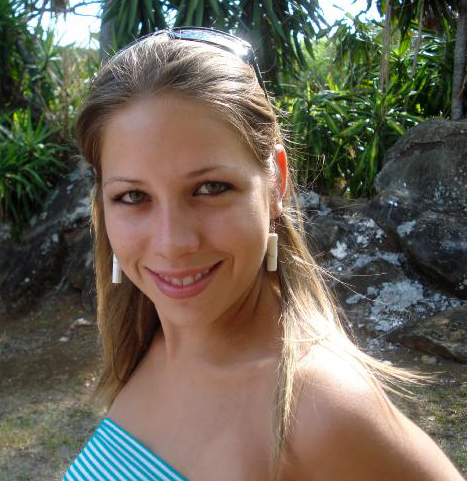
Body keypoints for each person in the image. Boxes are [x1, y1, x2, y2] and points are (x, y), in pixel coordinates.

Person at [63, 28, 464, 481]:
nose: (172, 242)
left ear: (276, 182)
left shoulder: (317, 408)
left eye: (211, 188)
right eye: (133, 196)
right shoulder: (147, 339)